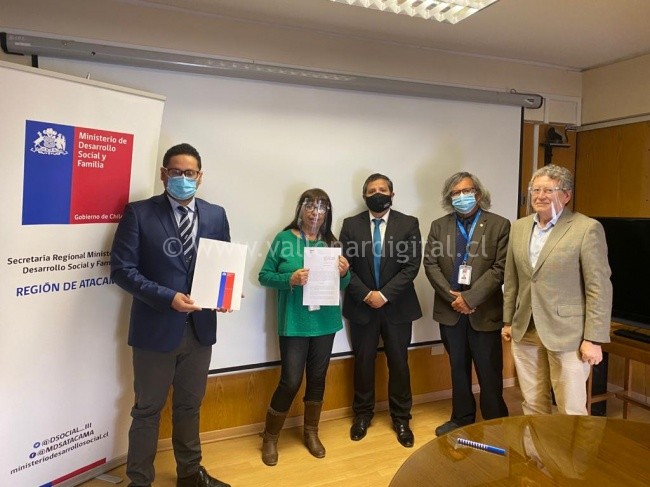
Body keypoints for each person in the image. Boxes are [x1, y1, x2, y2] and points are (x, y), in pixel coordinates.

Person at [111, 143, 231, 487]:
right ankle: (139, 481)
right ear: (164, 174)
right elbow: (122, 270)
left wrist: (226, 293)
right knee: (147, 410)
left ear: (200, 177)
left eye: (189, 173)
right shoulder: (139, 213)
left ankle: (190, 473)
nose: (182, 178)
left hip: (200, 330)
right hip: (155, 329)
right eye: (175, 172)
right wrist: (168, 298)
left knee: (190, 406)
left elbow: (224, 264)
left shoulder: (216, 215)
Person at [502, 164, 612, 415]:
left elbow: (599, 287)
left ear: (566, 195)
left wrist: (593, 339)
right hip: (525, 329)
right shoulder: (519, 227)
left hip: (568, 335)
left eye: (549, 190)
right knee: (532, 404)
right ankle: (538, 444)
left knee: (570, 409)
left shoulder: (586, 228)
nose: (540, 196)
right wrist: (508, 321)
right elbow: (512, 279)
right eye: (535, 190)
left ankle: (572, 446)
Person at [258, 188, 350, 466]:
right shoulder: (284, 239)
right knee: (290, 381)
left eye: (321, 207)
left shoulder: (332, 243)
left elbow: (343, 285)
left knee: (318, 378)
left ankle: (311, 432)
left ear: (327, 213)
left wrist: (345, 272)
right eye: (310, 206)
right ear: (300, 209)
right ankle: (270, 437)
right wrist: (290, 278)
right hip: (295, 322)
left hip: (326, 322)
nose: (315, 212)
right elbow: (264, 276)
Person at [423, 172, 510, 437]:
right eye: (455, 193)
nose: (461, 196)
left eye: (467, 191)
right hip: (451, 312)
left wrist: (470, 299)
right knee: (458, 370)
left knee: (489, 371)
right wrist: (455, 299)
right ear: (449, 198)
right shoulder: (439, 226)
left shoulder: (499, 225)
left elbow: (500, 268)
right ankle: (461, 418)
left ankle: (495, 421)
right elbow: (430, 264)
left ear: (478, 193)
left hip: (484, 312)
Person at [340, 173, 422, 448]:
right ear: (365, 196)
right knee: (363, 362)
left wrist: (384, 295)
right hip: (361, 306)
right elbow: (345, 266)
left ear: (392, 194)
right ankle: (362, 415)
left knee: (399, 363)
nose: (378, 193)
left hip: (397, 306)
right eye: (372, 190)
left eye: (383, 189)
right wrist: (367, 295)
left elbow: (411, 266)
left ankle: (401, 419)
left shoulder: (408, 223)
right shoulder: (350, 225)